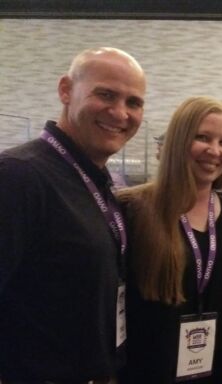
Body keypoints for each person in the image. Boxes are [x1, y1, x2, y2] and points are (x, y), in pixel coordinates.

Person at [0, 47, 145, 382]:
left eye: (133, 102)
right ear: (66, 90)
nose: (120, 113)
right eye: (106, 95)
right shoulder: (18, 176)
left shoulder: (102, 182)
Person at [117, 96, 222, 383]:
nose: (214, 151)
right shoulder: (134, 209)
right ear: (178, 141)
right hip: (152, 369)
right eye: (203, 137)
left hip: (220, 369)